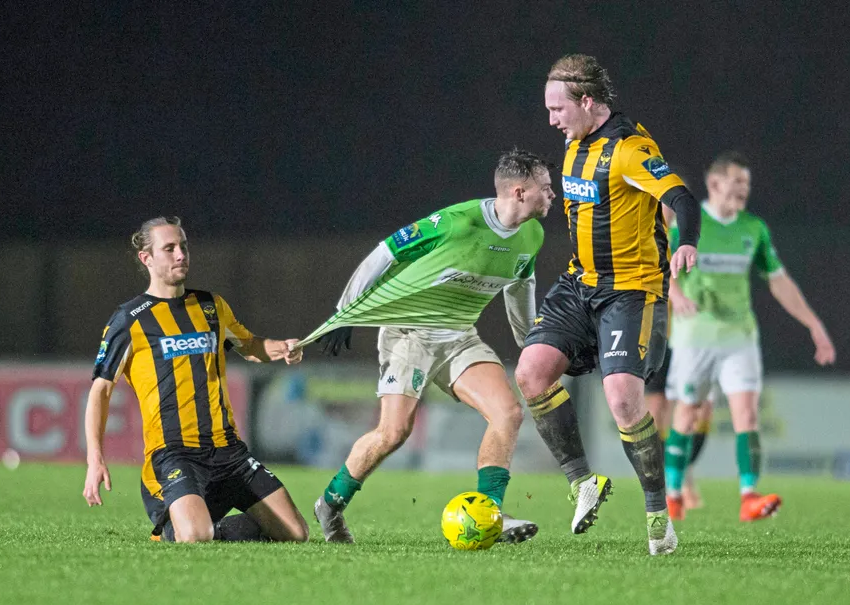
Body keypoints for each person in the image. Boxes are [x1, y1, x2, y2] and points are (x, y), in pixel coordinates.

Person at [304, 149, 554, 545]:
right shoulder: (456, 222)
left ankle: (491, 512)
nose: (553, 194)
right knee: (393, 432)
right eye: (546, 187)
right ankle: (330, 504)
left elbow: (521, 288)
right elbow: (385, 253)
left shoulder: (533, 235)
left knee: (507, 413)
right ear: (520, 192)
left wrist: (531, 346)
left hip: (459, 336)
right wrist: (345, 311)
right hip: (409, 335)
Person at [515, 54, 705, 556]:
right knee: (532, 373)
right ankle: (582, 482)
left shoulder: (631, 148)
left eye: (558, 108)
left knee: (622, 400)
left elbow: (681, 197)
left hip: (630, 290)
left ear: (588, 101)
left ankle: (658, 516)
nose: (552, 119)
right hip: (581, 285)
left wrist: (687, 242)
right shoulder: (574, 145)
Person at [83, 217, 309, 544]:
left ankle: (201, 524)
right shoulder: (129, 320)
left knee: (296, 533)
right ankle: (180, 524)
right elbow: (100, 390)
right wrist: (95, 458)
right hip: (175, 454)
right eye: (169, 248)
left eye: (184, 246)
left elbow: (250, 346)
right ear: (146, 258)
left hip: (228, 450)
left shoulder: (210, 306)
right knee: (194, 537)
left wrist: (282, 348)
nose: (180, 255)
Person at [663, 151, 835, 522]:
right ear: (713, 184)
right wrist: (675, 294)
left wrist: (813, 323)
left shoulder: (753, 229)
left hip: (739, 336)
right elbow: (663, 267)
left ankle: (748, 496)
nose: (744, 189)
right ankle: (673, 494)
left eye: (747, 183)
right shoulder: (690, 225)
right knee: (688, 414)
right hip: (695, 337)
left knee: (747, 415)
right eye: (736, 181)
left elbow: (779, 281)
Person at [644, 203, 710, 510]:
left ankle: (684, 473)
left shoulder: (694, 240)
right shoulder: (647, 234)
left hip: (693, 339)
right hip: (656, 334)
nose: (671, 208)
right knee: (656, 411)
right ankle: (664, 485)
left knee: (698, 411)